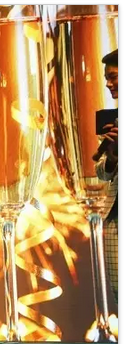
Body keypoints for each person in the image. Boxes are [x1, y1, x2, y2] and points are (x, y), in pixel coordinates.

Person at [95, 49, 118, 304]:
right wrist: (111, 157)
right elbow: (101, 172)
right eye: (106, 78)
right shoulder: (112, 122)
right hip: (115, 221)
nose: (108, 84)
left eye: (113, 77)